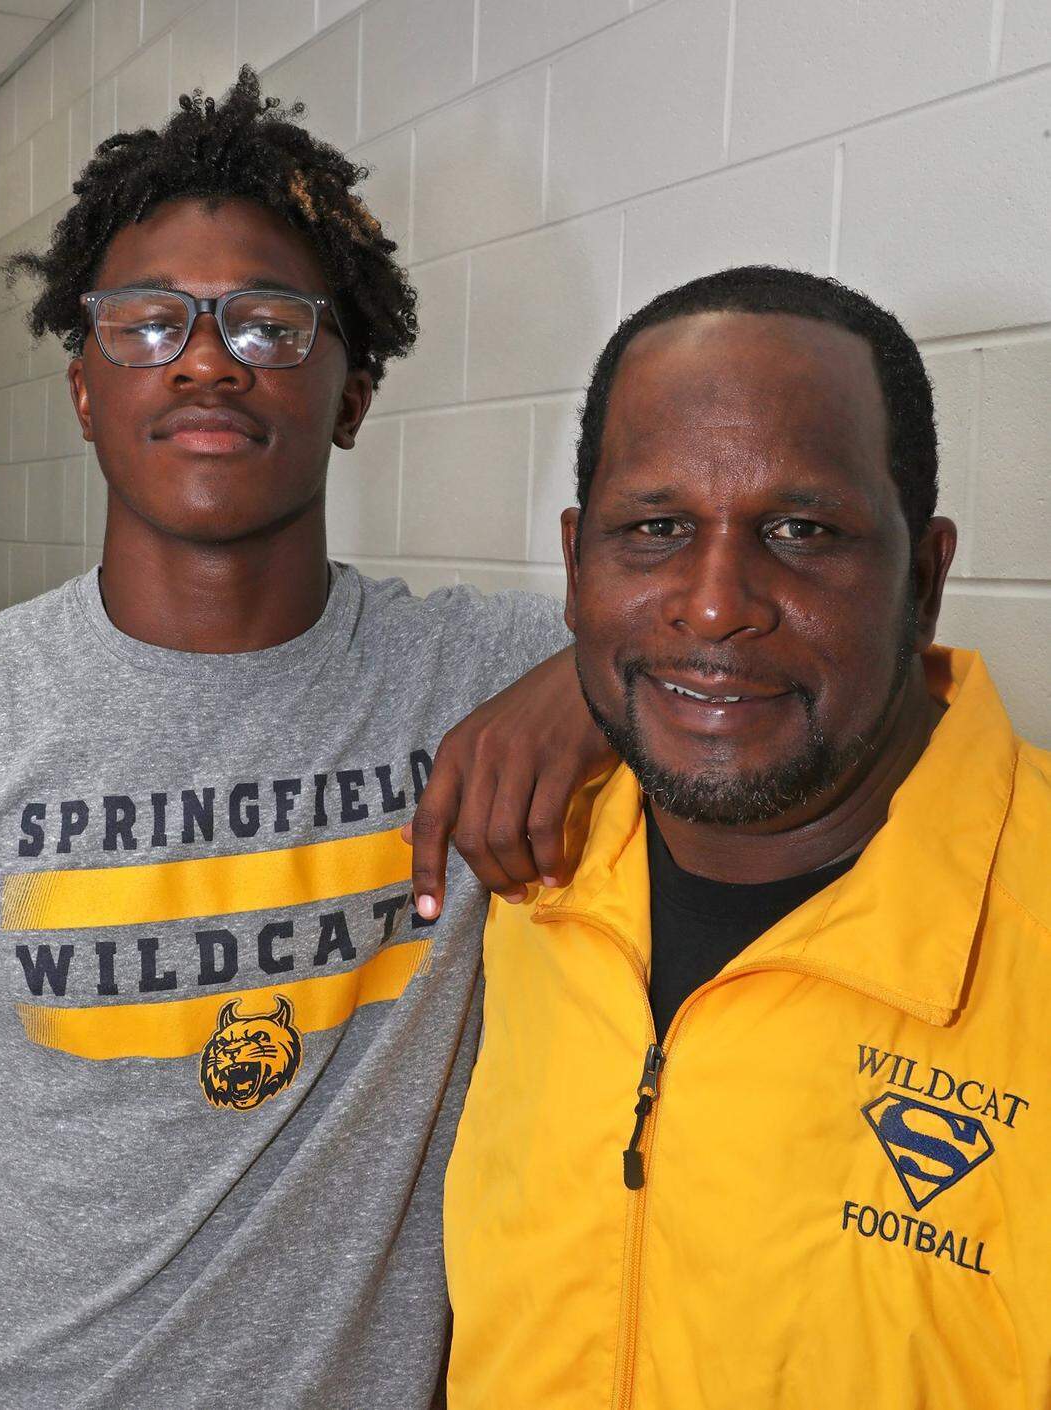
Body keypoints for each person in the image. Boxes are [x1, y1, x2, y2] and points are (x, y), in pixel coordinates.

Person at [0, 70, 610, 1408]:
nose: (208, 355)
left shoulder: (473, 674)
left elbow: (742, 662)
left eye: (271, 323)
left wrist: (588, 683)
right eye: (149, 320)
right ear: (82, 389)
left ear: (351, 394)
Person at [443, 266, 1051, 1409]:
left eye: (801, 529)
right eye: (657, 528)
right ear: (578, 567)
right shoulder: (521, 866)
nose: (716, 601)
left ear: (922, 578)